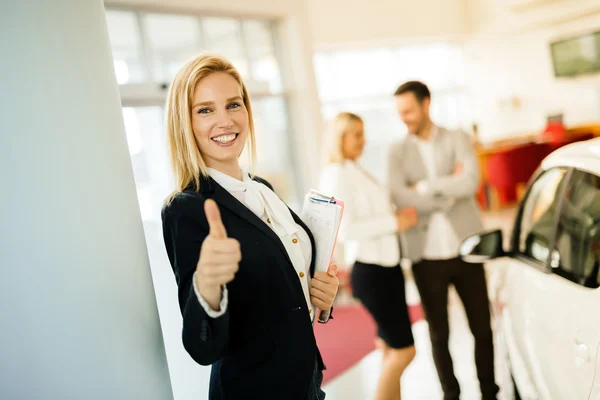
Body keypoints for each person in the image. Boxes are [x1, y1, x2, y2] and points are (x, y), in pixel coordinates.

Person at [161, 54, 339, 400]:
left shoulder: (262, 188)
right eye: (205, 110)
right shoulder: (187, 209)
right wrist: (208, 286)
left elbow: (284, 283)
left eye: (233, 104)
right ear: (185, 122)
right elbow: (203, 348)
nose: (225, 121)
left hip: (306, 382)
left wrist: (322, 295)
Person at [387, 81, 499, 400]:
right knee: (439, 334)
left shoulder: (456, 138)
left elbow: (471, 180)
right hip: (426, 256)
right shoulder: (397, 151)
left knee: (482, 327)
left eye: (409, 110)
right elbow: (397, 193)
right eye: (400, 112)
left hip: (467, 248)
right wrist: (446, 193)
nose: (404, 118)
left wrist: (424, 187)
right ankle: (451, 394)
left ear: (426, 104)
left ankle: (490, 391)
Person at [319, 112, 418, 400]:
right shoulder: (336, 173)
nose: (363, 141)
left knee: (389, 347)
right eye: (356, 135)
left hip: (387, 267)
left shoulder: (354, 168)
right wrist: (394, 223)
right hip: (372, 272)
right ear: (340, 138)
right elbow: (346, 229)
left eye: (363, 134)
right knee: (404, 351)